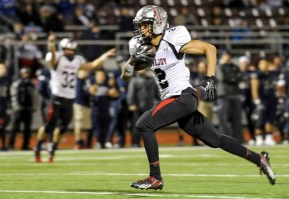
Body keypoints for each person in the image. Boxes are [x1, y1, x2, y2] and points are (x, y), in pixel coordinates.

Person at [120, 5, 276, 190]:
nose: (142, 29)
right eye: (141, 25)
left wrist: (210, 78)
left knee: (144, 124)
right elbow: (126, 75)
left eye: (146, 25)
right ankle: (259, 158)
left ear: (158, 23)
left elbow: (210, 49)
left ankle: (155, 178)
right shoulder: (140, 46)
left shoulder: (173, 39)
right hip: (176, 99)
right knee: (215, 140)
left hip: (182, 97)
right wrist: (131, 61)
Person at [34, 32, 116, 163]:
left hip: (70, 98)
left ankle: (52, 149)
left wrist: (105, 56)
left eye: (72, 49)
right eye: (67, 49)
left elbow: (91, 66)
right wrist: (51, 44)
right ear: (62, 49)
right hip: (56, 96)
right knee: (49, 125)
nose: (70, 51)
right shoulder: (58, 57)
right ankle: (37, 148)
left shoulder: (78, 60)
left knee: (62, 128)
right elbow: (52, 58)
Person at [8, 68, 37, 150]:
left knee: (27, 128)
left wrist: (33, 107)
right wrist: (16, 106)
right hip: (19, 109)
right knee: (15, 128)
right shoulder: (17, 84)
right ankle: (11, 145)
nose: (26, 75)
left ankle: (25, 145)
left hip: (28, 108)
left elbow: (34, 96)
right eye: (24, 73)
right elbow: (13, 95)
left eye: (27, 73)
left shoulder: (31, 84)